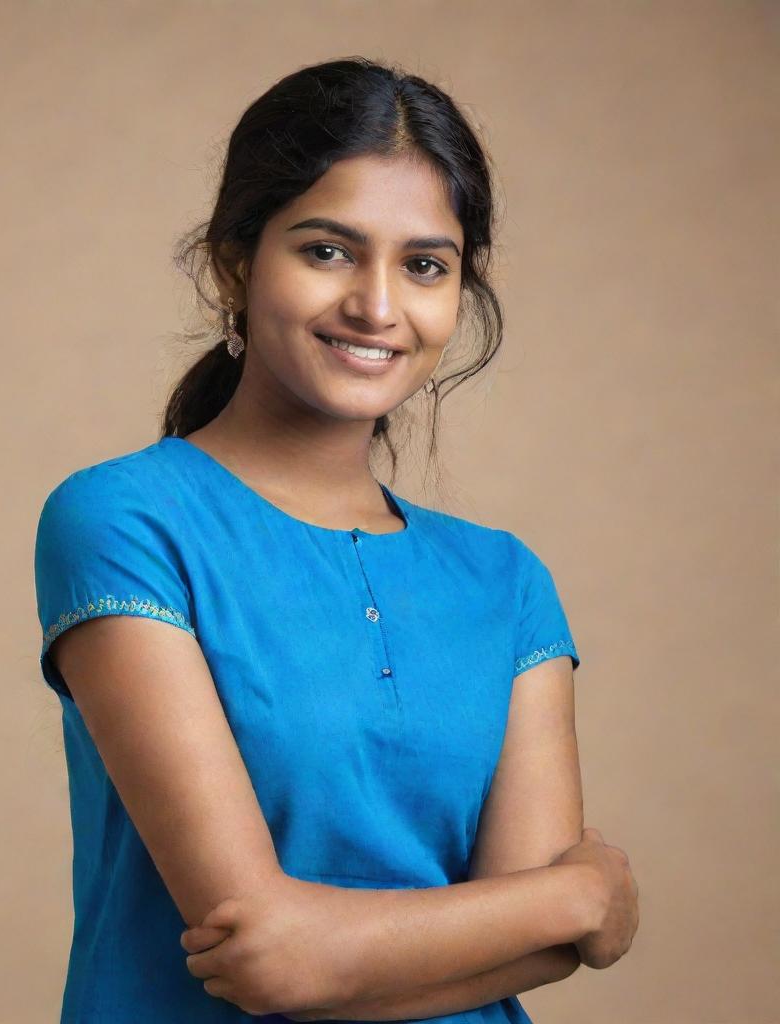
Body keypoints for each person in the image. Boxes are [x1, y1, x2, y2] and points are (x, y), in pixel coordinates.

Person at [33, 56, 638, 1024]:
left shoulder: (505, 580)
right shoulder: (125, 520)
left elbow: (532, 952)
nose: (377, 305)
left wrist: (352, 950)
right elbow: (270, 961)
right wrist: (583, 894)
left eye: (425, 265)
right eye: (326, 250)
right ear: (236, 260)